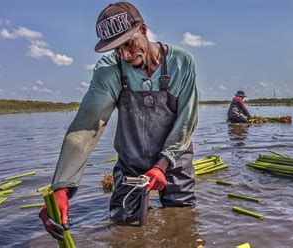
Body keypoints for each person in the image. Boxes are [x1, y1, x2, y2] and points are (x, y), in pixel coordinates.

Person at [39, 1, 198, 240]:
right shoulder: (109, 69)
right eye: (116, 49)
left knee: (181, 223)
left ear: (143, 30)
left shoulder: (181, 63)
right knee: (123, 225)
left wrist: (162, 165)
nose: (124, 54)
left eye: (128, 43)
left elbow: (187, 119)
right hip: (131, 163)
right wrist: (61, 187)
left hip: (174, 160)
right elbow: (86, 127)